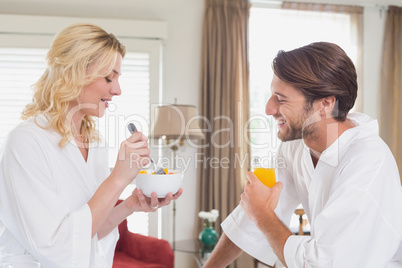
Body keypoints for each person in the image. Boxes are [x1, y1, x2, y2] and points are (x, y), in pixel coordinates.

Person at [204, 42, 402, 267]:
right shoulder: (295, 147)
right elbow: (247, 219)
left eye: (281, 98)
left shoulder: (367, 162)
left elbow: (322, 263)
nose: (269, 109)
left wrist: (263, 215)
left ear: (325, 103)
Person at [0, 23, 182, 267]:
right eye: (109, 77)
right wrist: (117, 178)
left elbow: (88, 232)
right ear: (73, 73)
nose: (117, 90)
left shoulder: (95, 142)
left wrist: (129, 206)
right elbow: (57, 248)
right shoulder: (26, 142)